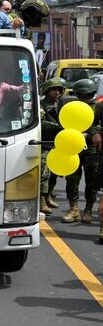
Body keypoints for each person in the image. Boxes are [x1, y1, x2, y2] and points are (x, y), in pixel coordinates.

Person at [60, 79, 100, 224]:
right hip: (74, 148)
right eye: (81, 96)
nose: (85, 99)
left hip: (91, 149)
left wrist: (89, 135)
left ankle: (88, 209)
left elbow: (99, 127)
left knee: (92, 181)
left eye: (87, 96)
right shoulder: (71, 106)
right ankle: (74, 209)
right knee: (72, 180)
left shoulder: (98, 108)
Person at [39, 78, 65, 215]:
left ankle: (48, 196)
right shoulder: (41, 105)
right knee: (44, 173)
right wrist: (59, 127)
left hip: (58, 143)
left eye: (59, 90)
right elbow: (42, 123)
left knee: (55, 173)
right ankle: (41, 200)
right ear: (47, 90)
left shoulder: (61, 105)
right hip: (44, 143)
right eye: (54, 89)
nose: (57, 92)